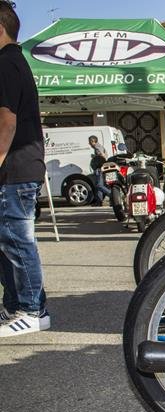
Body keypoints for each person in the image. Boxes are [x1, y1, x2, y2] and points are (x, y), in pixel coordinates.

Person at [0, 2, 50, 336]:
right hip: (18, 167)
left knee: (17, 241)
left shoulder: (5, 63)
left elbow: (7, 122)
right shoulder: (13, 61)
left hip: (16, 167)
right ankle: (16, 305)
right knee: (8, 241)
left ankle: (32, 311)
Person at [89, 135, 110, 206]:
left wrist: (95, 157)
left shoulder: (97, 147)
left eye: (90, 142)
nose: (89, 144)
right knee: (99, 185)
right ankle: (99, 202)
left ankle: (111, 194)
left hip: (99, 168)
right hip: (101, 168)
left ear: (93, 141)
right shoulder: (99, 146)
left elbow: (102, 156)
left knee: (99, 185)